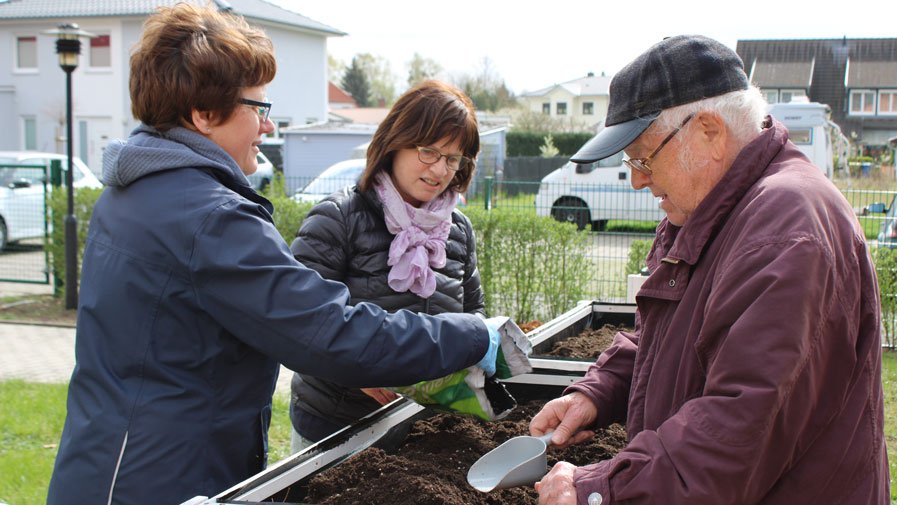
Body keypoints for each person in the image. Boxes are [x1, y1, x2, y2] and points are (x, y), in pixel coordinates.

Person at [45, 5, 500, 505]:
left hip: (121, 462)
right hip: (160, 477)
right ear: (203, 114)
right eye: (257, 108)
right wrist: (474, 335)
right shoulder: (210, 217)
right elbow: (328, 332)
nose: (266, 126)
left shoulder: (137, 190)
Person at [529, 35, 889, 505]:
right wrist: (599, 392)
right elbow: (671, 338)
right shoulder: (712, 210)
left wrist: (600, 488)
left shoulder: (786, 229)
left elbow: (739, 426)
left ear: (709, 132)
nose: (636, 178)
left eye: (643, 156)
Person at [288, 80, 485, 451]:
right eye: (429, 151)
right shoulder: (338, 219)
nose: (441, 169)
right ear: (395, 142)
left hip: (422, 429)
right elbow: (297, 324)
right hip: (335, 427)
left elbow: (473, 315)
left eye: (453, 158)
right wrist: (352, 369)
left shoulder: (457, 229)